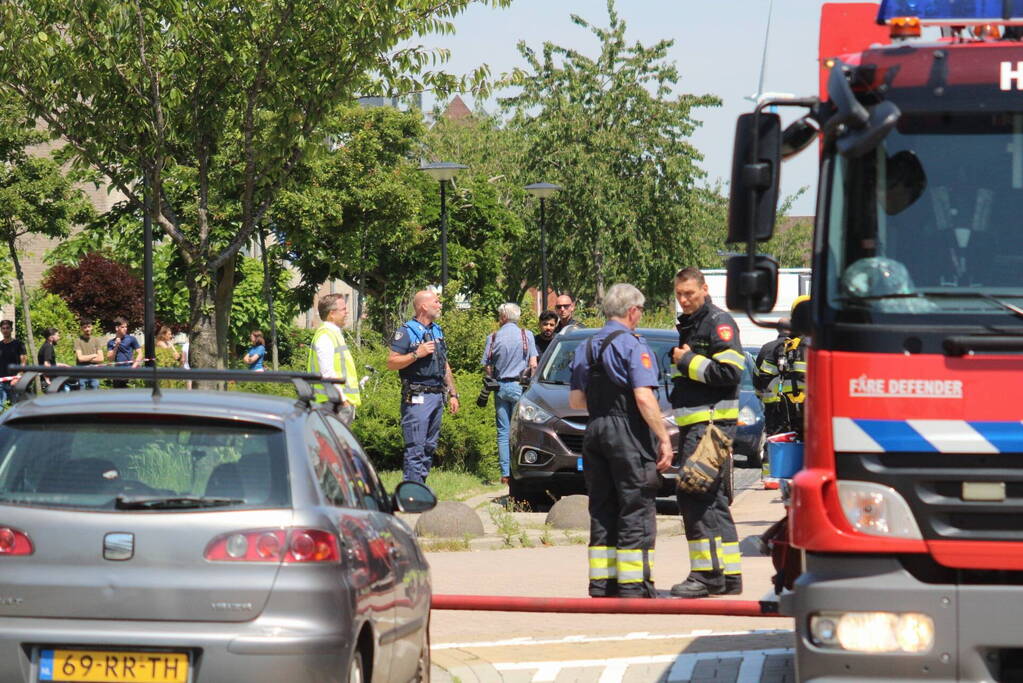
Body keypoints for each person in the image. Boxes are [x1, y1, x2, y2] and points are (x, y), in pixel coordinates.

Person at [569, 283, 673, 599]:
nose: (640, 316)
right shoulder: (633, 346)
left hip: (595, 432)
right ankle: (634, 585)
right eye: (640, 311)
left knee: (602, 507)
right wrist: (663, 437)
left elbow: (575, 401)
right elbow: (643, 397)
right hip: (627, 432)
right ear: (632, 311)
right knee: (636, 506)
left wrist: (604, 408)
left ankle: (602, 584)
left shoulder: (585, 347)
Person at [669, 266, 745, 599]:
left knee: (692, 494)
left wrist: (687, 362)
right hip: (702, 425)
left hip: (710, 427)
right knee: (712, 498)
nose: (684, 300)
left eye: (690, 293)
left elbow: (731, 371)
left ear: (705, 288)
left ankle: (705, 576)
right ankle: (729, 576)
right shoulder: (693, 324)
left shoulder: (717, 322)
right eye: (679, 295)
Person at [386, 290, 460, 484]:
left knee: (429, 447)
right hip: (417, 395)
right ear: (423, 306)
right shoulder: (406, 331)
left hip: (437, 396)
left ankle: (421, 488)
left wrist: (453, 393)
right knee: (416, 447)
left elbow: (444, 364)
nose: (440, 305)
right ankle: (411, 492)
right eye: (436, 302)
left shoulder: (437, 331)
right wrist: (416, 354)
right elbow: (391, 362)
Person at [482, 303, 538, 485]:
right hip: (519, 386)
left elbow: (487, 366)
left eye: (499, 316)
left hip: (499, 388)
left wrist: (492, 379)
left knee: (502, 431)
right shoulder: (526, 335)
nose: (499, 319)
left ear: (504, 317)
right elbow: (534, 365)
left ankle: (505, 473)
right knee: (520, 431)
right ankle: (519, 469)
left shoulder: (493, 337)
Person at [307, 294, 361, 423]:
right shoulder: (325, 337)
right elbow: (327, 373)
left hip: (335, 403)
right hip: (332, 404)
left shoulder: (333, 334)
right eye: (343, 309)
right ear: (332, 314)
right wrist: (343, 399)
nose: (347, 312)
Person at [753, 319, 791, 436]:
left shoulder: (766, 347)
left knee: (772, 436)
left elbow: (756, 377)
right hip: (792, 405)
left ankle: (770, 454)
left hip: (770, 405)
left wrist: (762, 396)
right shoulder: (796, 347)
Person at [106, 317, 142, 388]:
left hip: (130, 371)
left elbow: (140, 353)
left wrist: (134, 367)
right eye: (122, 327)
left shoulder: (131, 339)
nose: (125, 329)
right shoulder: (111, 342)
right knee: (118, 396)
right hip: (117, 374)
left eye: (126, 327)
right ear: (117, 328)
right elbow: (110, 359)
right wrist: (116, 346)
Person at [0, 320, 27, 404]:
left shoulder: (19, 344)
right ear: (1, 330)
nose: (5, 330)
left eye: (7, 328)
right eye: (3, 328)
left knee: (15, 407)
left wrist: (18, 377)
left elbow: (23, 362)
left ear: (11, 329)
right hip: (1, 382)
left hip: (14, 382)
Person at [73, 321, 105, 389]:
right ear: (81, 328)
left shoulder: (96, 340)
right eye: (85, 327)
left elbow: (101, 359)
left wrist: (85, 358)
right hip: (81, 371)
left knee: (94, 394)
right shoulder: (77, 341)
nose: (87, 329)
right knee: (81, 393)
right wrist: (94, 355)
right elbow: (80, 359)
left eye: (89, 327)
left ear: (92, 327)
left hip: (94, 372)